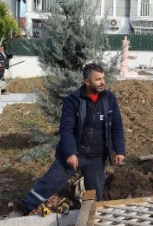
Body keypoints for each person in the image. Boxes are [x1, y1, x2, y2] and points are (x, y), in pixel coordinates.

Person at [19, 63, 126, 213]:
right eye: (98, 79)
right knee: (51, 182)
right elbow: (66, 129)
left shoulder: (109, 99)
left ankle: (91, 216)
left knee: (95, 195)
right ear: (87, 82)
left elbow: (116, 125)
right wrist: (70, 153)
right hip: (74, 153)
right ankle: (25, 207)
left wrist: (120, 150)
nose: (103, 82)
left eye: (103, 78)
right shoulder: (73, 100)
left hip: (96, 157)